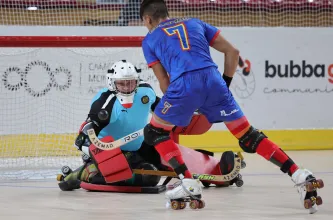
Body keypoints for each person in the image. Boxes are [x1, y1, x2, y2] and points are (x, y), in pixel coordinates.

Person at [139, 0, 324, 213]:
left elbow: (164, 81)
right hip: (215, 81)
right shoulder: (196, 23)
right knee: (249, 136)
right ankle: (299, 174)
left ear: (148, 19)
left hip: (183, 86)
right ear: (166, 12)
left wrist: (180, 106)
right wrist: (223, 86)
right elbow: (233, 52)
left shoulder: (150, 39)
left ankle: (188, 182)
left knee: (154, 132)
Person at [57, 60, 162, 191]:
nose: (126, 87)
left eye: (130, 82)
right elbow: (82, 138)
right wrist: (98, 154)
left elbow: (163, 110)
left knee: (160, 166)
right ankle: (84, 173)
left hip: (138, 148)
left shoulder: (146, 91)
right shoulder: (105, 102)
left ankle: (97, 170)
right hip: (113, 152)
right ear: (111, 82)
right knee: (149, 178)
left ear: (137, 81)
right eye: (121, 83)